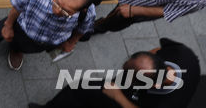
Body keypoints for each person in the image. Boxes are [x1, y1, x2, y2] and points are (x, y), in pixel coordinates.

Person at [30, 38, 201, 108]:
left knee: (81, 92)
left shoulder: (166, 104)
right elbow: (160, 48)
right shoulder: (182, 54)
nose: (121, 71)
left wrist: (117, 96)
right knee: (81, 88)